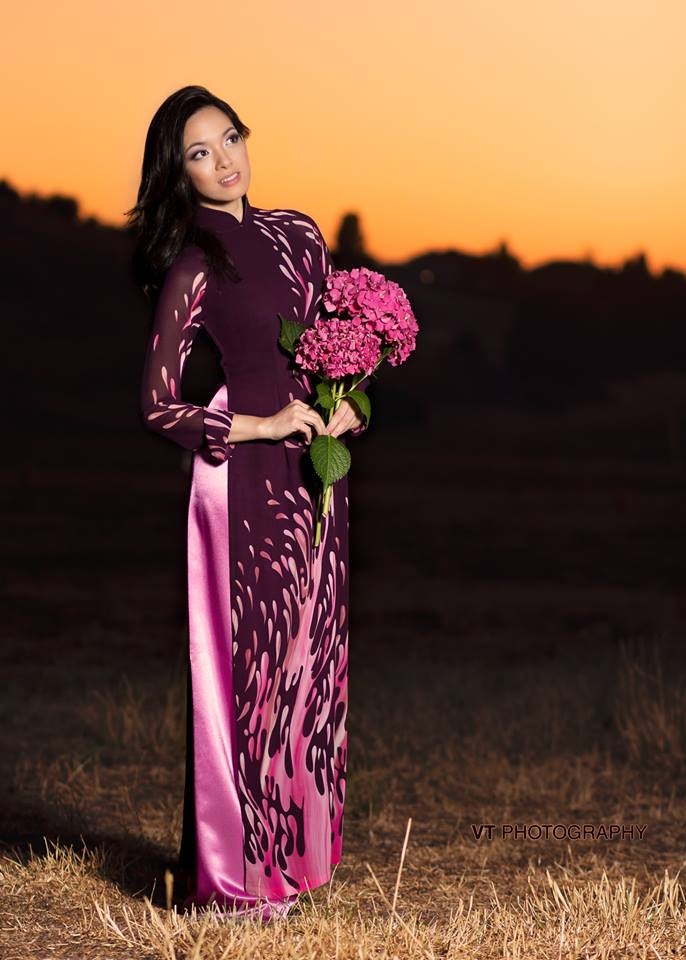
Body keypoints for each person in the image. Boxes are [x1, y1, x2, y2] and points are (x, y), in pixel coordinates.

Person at [126, 85, 369, 921]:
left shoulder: (300, 234)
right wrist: (257, 424)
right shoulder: (195, 265)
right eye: (200, 153)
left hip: (316, 474)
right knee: (254, 671)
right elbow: (157, 403)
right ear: (179, 173)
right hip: (241, 479)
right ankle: (238, 877)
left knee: (311, 663)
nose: (225, 161)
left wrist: (350, 403)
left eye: (229, 138)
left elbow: (338, 348)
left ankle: (295, 859)